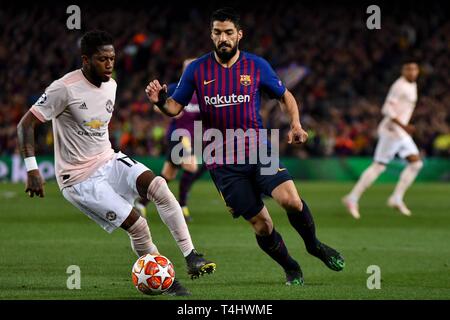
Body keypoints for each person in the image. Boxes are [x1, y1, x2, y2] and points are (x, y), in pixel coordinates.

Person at [145, 8, 344, 285]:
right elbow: (174, 107)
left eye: (228, 32)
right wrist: (159, 100)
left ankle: (314, 245)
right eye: (217, 33)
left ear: (239, 35)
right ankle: (291, 266)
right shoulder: (197, 69)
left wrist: (296, 125)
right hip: (221, 160)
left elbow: (285, 96)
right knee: (262, 226)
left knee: (291, 200)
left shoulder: (256, 66)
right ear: (211, 35)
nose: (223, 38)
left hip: (258, 149)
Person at [16, 30, 216, 296]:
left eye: (112, 58)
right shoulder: (63, 88)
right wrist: (32, 168)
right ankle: (168, 283)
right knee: (139, 226)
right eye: (102, 59)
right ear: (85, 60)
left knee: (159, 187)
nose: (109, 64)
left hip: (108, 159)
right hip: (78, 179)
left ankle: (192, 256)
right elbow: (26, 124)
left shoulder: (111, 85)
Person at [343, 59, 423, 218]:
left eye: (414, 69)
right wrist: (404, 126)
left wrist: (405, 127)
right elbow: (386, 109)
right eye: (408, 69)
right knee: (379, 166)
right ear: (403, 71)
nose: (412, 72)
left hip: (401, 133)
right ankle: (352, 198)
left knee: (416, 163)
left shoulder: (412, 85)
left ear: (418, 71)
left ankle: (396, 198)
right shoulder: (399, 86)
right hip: (391, 131)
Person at [136, 58, 206, 223]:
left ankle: (141, 203)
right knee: (191, 166)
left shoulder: (203, 92)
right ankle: (182, 206)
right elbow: (156, 105)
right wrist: (172, 111)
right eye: (188, 68)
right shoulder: (177, 88)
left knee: (167, 175)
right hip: (177, 135)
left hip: (191, 137)